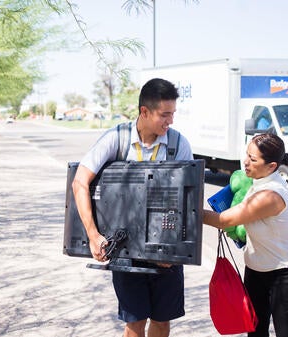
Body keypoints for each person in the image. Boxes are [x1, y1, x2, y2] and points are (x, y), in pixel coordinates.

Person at [71, 78, 193, 337]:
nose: (170, 121)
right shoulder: (117, 138)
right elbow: (80, 182)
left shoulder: (179, 144)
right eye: (164, 115)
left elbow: (188, 201)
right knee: (135, 322)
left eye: (173, 114)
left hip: (166, 252)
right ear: (144, 112)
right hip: (126, 250)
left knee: (162, 321)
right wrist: (94, 237)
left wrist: (172, 255)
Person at [203, 133, 288, 337]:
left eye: (253, 159)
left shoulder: (271, 195)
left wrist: (188, 211)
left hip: (286, 273)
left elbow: (225, 220)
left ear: (271, 166)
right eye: (247, 155)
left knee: (287, 334)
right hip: (256, 269)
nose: (245, 162)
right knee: (255, 331)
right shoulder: (256, 182)